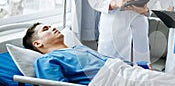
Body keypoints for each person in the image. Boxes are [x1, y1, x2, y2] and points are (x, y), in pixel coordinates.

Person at [22, 23, 151, 85]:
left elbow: (106, 60)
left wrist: (139, 65)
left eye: (50, 26)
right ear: (37, 43)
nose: (53, 28)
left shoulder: (79, 48)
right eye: (46, 29)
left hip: (127, 72)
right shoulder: (47, 60)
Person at [86, 0, 159, 63]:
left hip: (138, 28)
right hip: (113, 31)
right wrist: (115, 3)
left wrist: (145, 8)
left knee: (140, 73)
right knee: (112, 72)